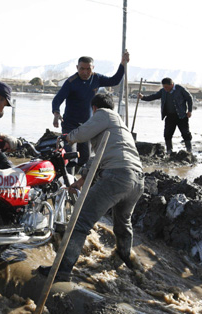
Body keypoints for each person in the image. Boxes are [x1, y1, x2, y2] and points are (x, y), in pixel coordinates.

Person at [38, 93, 145, 281]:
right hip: (137, 180)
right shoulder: (119, 127)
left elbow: (81, 134)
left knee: (80, 221)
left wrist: (67, 137)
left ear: (94, 108)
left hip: (117, 177)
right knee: (123, 221)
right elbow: (100, 158)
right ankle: (125, 256)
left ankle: (61, 270)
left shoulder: (104, 114)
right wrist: (80, 182)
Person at [52, 52, 130, 170]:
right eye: (82, 69)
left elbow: (115, 81)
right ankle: (68, 182)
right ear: (77, 68)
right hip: (70, 124)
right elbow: (57, 99)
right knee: (71, 156)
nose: (85, 72)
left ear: (92, 68)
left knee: (85, 158)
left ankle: (78, 182)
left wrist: (123, 64)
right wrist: (56, 113)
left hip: (87, 125)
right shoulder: (71, 82)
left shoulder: (96, 78)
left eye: (88, 69)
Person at [138, 77, 194, 153]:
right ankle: (169, 150)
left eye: (167, 87)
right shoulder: (163, 91)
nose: (165, 89)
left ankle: (189, 150)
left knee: (185, 133)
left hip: (181, 116)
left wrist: (189, 111)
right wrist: (143, 97)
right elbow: (154, 96)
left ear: (171, 84)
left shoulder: (180, 89)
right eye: (164, 87)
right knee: (167, 134)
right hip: (169, 116)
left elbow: (189, 98)